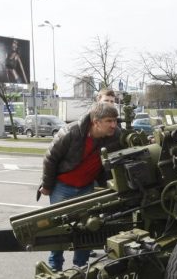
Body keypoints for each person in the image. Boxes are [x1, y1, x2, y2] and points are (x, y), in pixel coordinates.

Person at [38, 102, 122, 270]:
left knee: (87, 228)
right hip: (62, 187)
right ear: (96, 122)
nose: (114, 125)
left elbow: (130, 140)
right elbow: (50, 158)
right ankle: (55, 268)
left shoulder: (115, 135)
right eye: (109, 121)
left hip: (86, 188)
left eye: (115, 120)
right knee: (59, 230)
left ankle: (81, 267)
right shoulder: (70, 132)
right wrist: (47, 186)